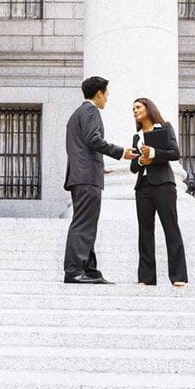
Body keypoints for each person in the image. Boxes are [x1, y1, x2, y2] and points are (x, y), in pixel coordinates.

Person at [63, 76, 138, 284]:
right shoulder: (90, 111)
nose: (107, 99)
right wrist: (121, 152)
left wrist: (98, 166)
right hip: (86, 178)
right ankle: (74, 271)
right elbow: (92, 139)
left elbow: (79, 147)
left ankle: (89, 269)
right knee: (84, 225)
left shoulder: (76, 114)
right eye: (107, 94)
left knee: (87, 224)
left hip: (83, 175)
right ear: (99, 93)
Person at [130, 97, 188, 287]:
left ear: (148, 108)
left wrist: (153, 154)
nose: (135, 111)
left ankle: (179, 277)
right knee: (144, 232)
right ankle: (146, 278)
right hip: (143, 187)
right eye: (133, 109)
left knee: (171, 229)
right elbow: (133, 166)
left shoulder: (164, 127)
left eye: (138, 107)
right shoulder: (137, 137)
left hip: (164, 185)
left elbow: (174, 153)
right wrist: (140, 161)